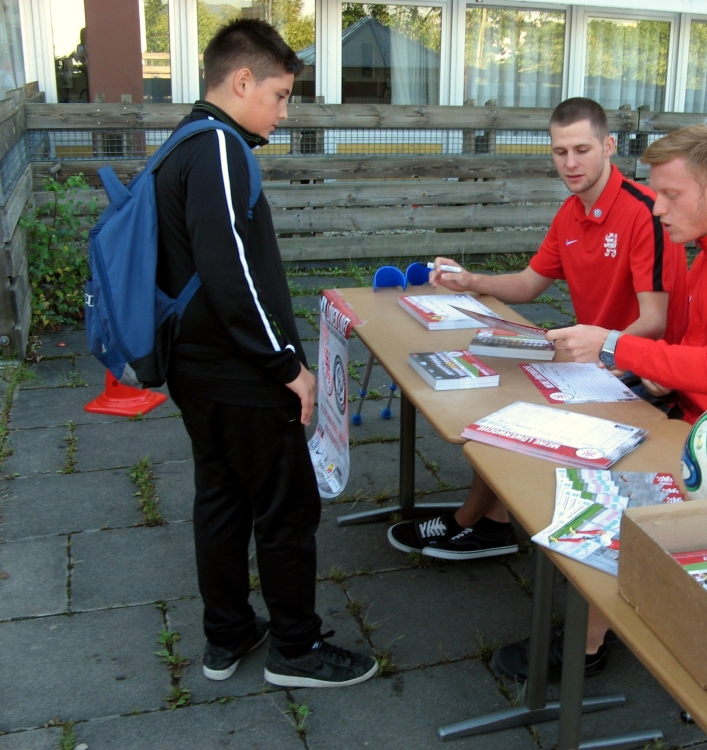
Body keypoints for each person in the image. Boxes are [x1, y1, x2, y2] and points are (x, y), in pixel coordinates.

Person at [495, 125, 707, 680]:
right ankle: (571, 588)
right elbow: (693, 350)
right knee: (555, 444)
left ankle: (588, 642)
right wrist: (650, 373)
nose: (658, 208)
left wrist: (614, 344)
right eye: (656, 194)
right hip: (696, 422)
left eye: (671, 195)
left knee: (605, 495)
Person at [157, 19, 377, 689]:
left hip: (195, 367)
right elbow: (231, 277)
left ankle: (227, 635)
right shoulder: (220, 150)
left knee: (221, 498)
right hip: (241, 374)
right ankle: (297, 649)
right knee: (287, 506)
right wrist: (287, 365)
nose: (284, 112)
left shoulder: (183, 142)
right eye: (279, 95)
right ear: (242, 80)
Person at [386, 97, 689, 562]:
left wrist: (604, 353)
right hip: (594, 362)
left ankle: (472, 522)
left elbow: (655, 320)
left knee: (519, 409)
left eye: (582, 150)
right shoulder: (570, 212)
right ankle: (492, 523)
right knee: (504, 393)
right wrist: (470, 281)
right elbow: (529, 284)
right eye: (560, 151)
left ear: (609, 146)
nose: (570, 163)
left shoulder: (645, 211)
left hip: (643, 374)